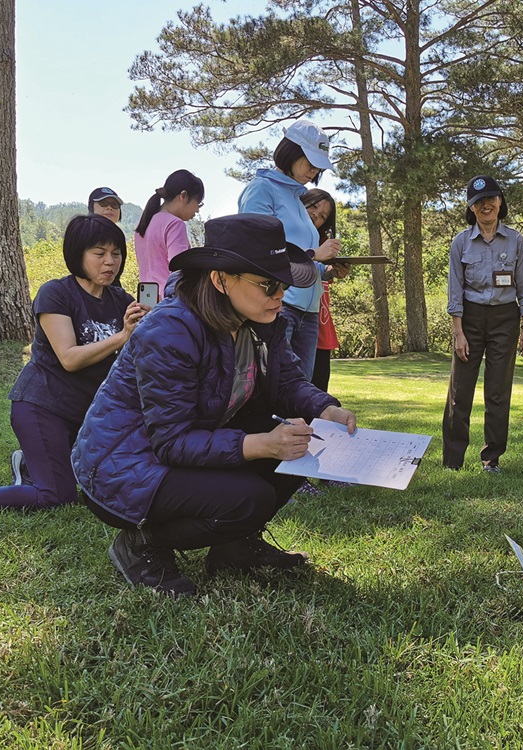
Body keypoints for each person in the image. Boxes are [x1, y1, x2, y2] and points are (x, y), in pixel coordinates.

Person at [71, 213, 357, 596]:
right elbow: (171, 441)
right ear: (220, 279)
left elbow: (287, 381)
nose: (280, 295)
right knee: (249, 498)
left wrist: (327, 410)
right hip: (123, 466)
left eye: (284, 284)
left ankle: (234, 547)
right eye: (268, 283)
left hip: (180, 446)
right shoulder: (169, 330)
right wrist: (262, 445)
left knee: (299, 452)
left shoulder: (262, 320)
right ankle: (142, 544)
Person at [0, 215, 147, 512]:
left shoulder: (121, 300)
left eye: (116, 254)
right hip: (43, 407)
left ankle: (30, 463)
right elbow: (69, 358)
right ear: (78, 254)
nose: (110, 262)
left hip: (89, 416)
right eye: (99, 253)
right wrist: (123, 336)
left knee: (119, 482)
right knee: (55, 495)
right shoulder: (57, 293)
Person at [442, 175, 523, 473]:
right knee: (461, 390)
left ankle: (491, 458)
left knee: (498, 391)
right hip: (469, 319)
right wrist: (458, 333)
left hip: (504, 318)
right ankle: (453, 460)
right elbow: (455, 290)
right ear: (471, 208)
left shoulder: (516, 240)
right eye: (479, 202)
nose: (486, 205)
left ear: (500, 202)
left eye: (491, 199)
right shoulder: (460, 242)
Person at [238, 120, 341, 380]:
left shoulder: (296, 198)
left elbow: (306, 259)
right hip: (278, 305)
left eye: (318, 166)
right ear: (291, 152)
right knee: (274, 383)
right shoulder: (262, 189)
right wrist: (315, 254)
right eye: (310, 162)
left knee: (300, 387)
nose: (314, 170)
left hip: (308, 310)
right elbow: (255, 250)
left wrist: (328, 270)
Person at [301, 188, 348, 393]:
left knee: (319, 389)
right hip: (296, 320)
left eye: (322, 217)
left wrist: (334, 270)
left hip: (320, 323)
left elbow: (323, 275)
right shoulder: (289, 236)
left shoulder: (324, 245)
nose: (315, 216)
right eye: (312, 207)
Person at [134, 169, 204, 295]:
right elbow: (180, 270)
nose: (197, 210)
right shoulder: (175, 224)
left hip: (145, 299)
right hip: (169, 301)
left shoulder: (143, 225)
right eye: (198, 203)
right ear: (183, 196)